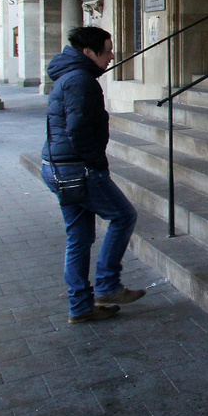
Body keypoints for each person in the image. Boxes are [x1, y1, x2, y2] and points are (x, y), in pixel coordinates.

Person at [41, 26, 142, 324]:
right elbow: (78, 129)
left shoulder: (70, 76)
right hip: (76, 167)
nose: (112, 56)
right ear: (89, 53)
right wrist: (97, 164)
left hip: (59, 166)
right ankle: (108, 285)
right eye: (107, 50)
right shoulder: (81, 81)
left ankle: (81, 306)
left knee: (79, 236)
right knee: (123, 216)